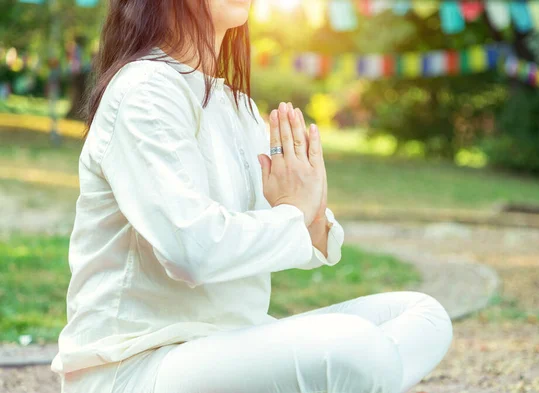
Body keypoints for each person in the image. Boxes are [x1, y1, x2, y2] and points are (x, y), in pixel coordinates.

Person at [50, 0, 453, 392]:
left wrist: (310, 212)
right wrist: (295, 213)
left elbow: (284, 227)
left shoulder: (236, 105)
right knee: (358, 349)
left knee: (424, 316)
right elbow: (192, 250)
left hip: (231, 342)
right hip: (140, 363)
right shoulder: (145, 89)